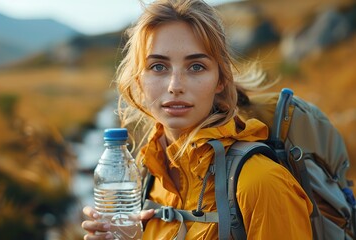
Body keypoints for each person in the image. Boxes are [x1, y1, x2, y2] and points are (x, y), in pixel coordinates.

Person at [81, 0, 313, 239]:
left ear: (220, 80)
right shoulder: (149, 175)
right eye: (158, 66)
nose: (175, 86)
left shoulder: (261, 183)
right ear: (139, 80)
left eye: (196, 67)